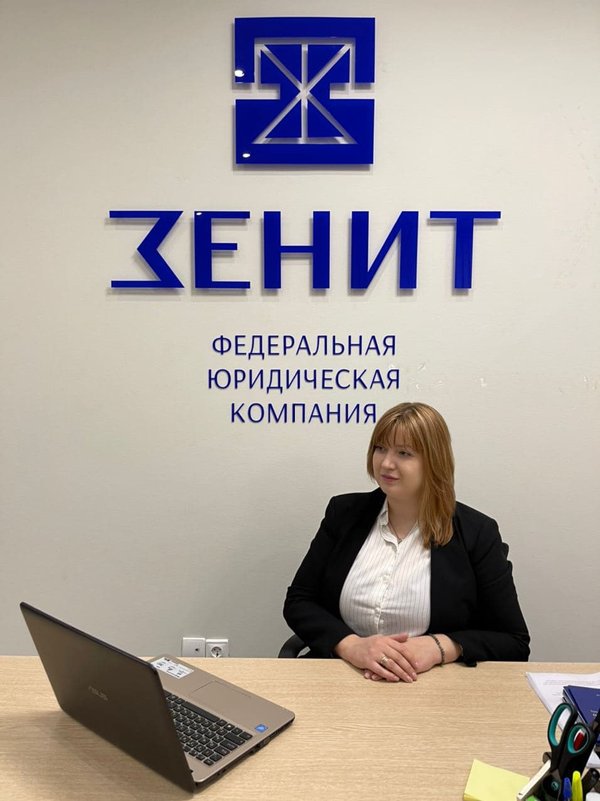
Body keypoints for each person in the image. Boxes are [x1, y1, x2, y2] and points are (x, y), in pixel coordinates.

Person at [283, 402, 530, 682]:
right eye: (380, 448)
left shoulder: (477, 532)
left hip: (430, 685)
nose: (386, 463)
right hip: (341, 676)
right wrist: (352, 645)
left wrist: (438, 647)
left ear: (434, 461)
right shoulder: (344, 513)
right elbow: (299, 601)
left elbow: (514, 641)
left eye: (404, 453)